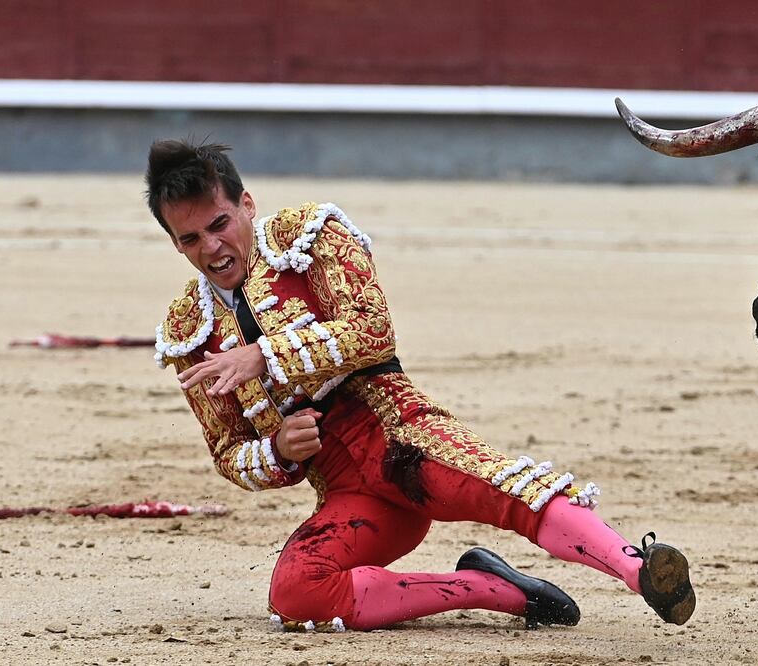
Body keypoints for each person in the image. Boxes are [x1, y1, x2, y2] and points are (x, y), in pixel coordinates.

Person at [147, 138, 696, 632]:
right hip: (350, 493)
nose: (211, 247)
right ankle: (494, 590)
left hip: (402, 438)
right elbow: (228, 451)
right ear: (176, 244)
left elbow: (372, 331)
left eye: (219, 224)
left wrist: (264, 356)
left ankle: (638, 569)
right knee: (297, 592)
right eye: (190, 237)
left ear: (246, 205)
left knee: (509, 489)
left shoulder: (309, 238)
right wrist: (278, 450)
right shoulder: (188, 329)